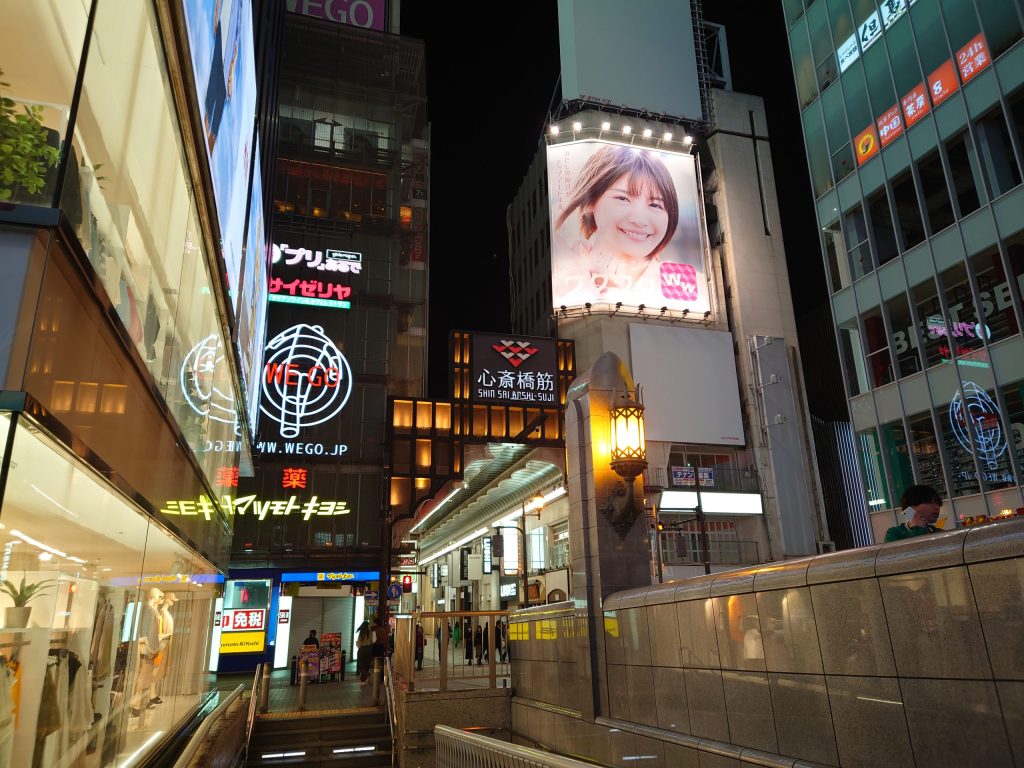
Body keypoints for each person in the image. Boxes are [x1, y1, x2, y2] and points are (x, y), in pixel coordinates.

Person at [552, 144, 682, 306]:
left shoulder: (683, 283)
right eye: (622, 199)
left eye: (655, 205)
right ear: (590, 202)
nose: (639, 220)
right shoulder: (560, 271)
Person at [356, 621, 373, 686]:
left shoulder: (362, 632)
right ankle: (363, 681)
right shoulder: (370, 632)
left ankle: (366, 676)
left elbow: (359, 642)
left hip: (362, 649)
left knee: (361, 665)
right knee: (366, 665)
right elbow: (372, 640)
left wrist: (359, 648)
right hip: (369, 649)